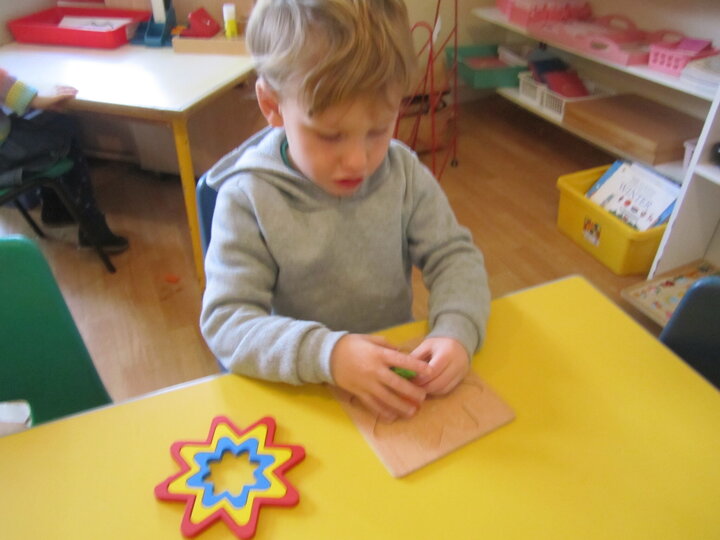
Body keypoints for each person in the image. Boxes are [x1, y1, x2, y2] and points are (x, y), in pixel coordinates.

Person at [200, 0, 490, 422]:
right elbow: (227, 322)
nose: (358, 161)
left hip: (392, 387)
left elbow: (454, 257)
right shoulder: (248, 198)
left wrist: (457, 329)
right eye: (330, 135)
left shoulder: (403, 173)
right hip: (305, 397)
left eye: (378, 129)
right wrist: (329, 355)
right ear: (272, 105)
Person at [0, 69, 128, 253]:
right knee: (63, 131)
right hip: (5, 155)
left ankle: (55, 209)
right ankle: (92, 228)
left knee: (52, 125)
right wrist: (37, 100)